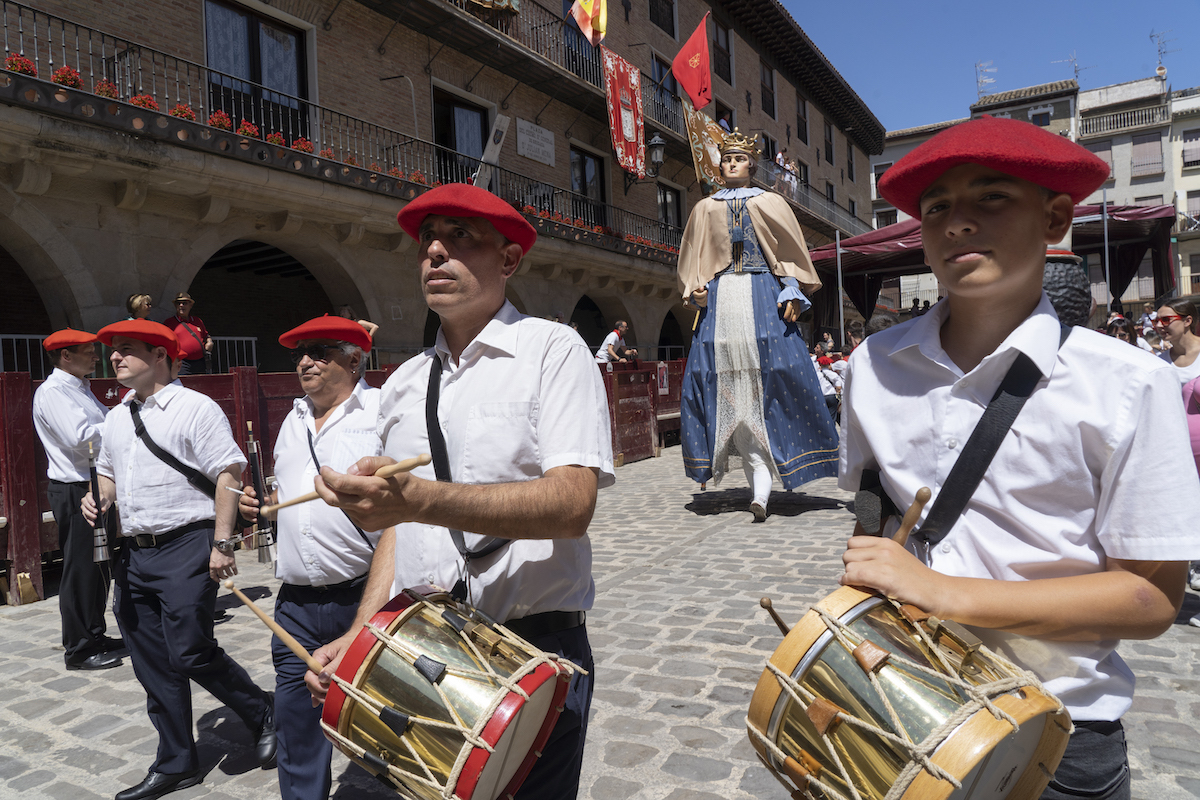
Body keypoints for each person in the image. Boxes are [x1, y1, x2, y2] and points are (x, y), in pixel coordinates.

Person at [840, 116, 1200, 800]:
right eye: (937, 207)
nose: (957, 223)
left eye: (991, 197)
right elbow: (875, 521)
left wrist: (947, 593)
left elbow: (1152, 598)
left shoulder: (1127, 382)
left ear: (1055, 218)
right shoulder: (873, 365)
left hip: (1056, 733)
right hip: (905, 707)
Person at [302, 184, 614, 800]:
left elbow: (572, 505)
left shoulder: (553, 349)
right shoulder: (404, 381)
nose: (436, 252)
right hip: (421, 643)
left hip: (534, 644)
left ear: (509, 259)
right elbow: (402, 525)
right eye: (427, 242)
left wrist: (421, 498)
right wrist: (363, 632)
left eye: (460, 236)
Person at [83, 320, 275, 800]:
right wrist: (98, 498)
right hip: (134, 551)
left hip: (188, 542)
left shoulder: (195, 408)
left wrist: (223, 542)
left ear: (161, 355)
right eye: (113, 351)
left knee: (188, 648)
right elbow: (107, 474)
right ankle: (176, 762)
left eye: (127, 350)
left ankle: (262, 711)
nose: (115, 358)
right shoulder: (115, 416)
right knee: (150, 661)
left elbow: (229, 473)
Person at [238, 315, 382, 800]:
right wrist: (258, 505)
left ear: (354, 360)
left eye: (319, 352)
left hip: (365, 598)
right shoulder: (291, 420)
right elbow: (285, 494)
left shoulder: (380, 412)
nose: (304, 361)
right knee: (298, 726)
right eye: (300, 353)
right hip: (295, 602)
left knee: (383, 723)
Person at [677, 128, 838, 522]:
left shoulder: (771, 202)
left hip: (763, 295)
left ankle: (772, 478)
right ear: (721, 165)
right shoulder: (703, 208)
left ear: (751, 165)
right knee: (719, 381)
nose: (732, 164)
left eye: (740, 159)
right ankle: (758, 489)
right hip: (720, 301)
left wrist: (791, 289)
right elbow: (693, 259)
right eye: (727, 159)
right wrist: (694, 291)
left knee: (778, 373)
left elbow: (785, 253)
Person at [32, 329, 122, 671]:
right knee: (81, 566)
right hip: (75, 487)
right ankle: (80, 647)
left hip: (93, 484)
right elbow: (80, 439)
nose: (95, 357)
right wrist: (119, 421)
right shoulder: (54, 392)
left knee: (99, 564)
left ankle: (94, 633)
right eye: (87, 352)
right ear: (66, 356)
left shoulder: (80, 389)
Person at [1152, 299, 1200, 602]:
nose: (1159, 325)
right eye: (1158, 321)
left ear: (1188, 321)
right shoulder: (1159, 361)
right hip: (1170, 455)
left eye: (1166, 320)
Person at [165, 292, 212, 375]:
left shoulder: (197, 321)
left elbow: (206, 335)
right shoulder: (169, 323)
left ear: (190, 305)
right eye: (178, 303)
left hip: (200, 362)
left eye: (184, 303)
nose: (181, 305)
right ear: (175, 306)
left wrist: (210, 342)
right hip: (182, 363)